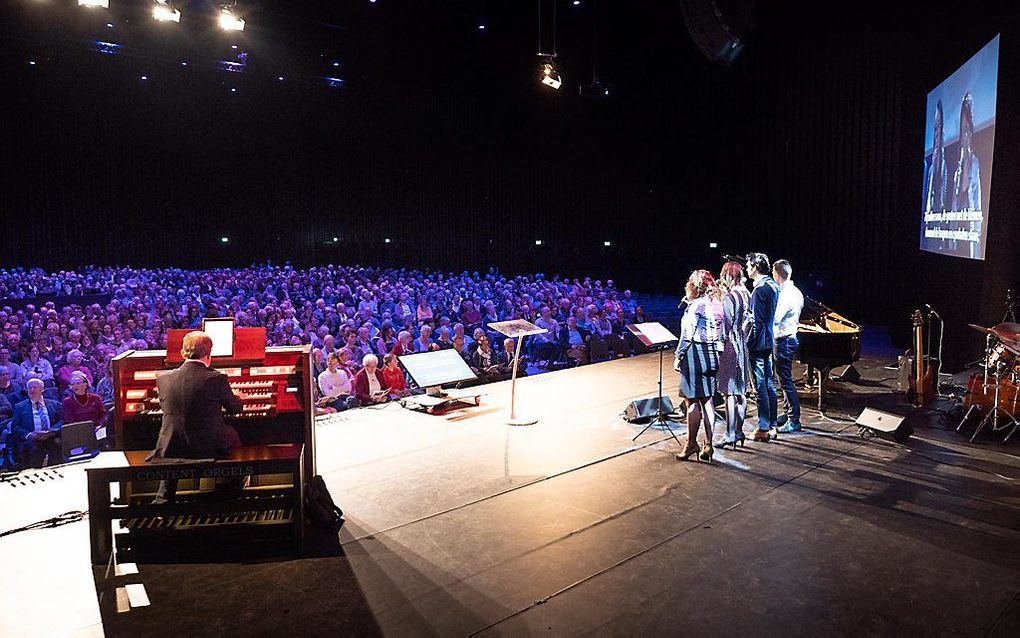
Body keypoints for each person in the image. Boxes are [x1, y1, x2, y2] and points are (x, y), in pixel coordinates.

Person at [147, 331, 244, 503]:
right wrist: (236, 396)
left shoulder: (164, 379)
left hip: (170, 444)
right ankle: (228, 495)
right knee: (233, 435)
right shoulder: (216, 378)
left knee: (178, 436)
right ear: (209, 354)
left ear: (182, 353)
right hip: (206, 446)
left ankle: (163, 500)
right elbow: (235, 409)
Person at [673, 270, 724, 463]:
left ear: (693, 286)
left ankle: (691, 443)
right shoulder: (717, 304)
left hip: (695, 353)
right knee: (708, 400)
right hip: (712, 353)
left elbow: (687, 335)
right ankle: (709, 445)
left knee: (692, 401)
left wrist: (678, 356)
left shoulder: (695, 307)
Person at [715, 261, 751, 449]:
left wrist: (720, 344)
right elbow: (750, 321)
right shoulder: (747, 294)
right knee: (741, 392)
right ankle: (738, 431)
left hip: (731, 344)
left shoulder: (730, 296)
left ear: (729, 275)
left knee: (729, 392)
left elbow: (726, 326)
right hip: (742, 344)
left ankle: (729, 434)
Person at [745, 253, 780, 442]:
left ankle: (763, 427)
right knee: (769, 383)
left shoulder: (759, 290)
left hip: (758, 343)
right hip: (769, 340)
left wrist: (748, 344)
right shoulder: (773, 285)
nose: (747, 268)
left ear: (756, 267)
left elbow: (756, 323)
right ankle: (772, 424)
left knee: (759, 386)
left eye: (749, 265)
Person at [772, 259, 804, 433]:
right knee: (784, 380)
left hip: (784, 340)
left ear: (776, 274)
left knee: (785, 382)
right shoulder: (797, 291)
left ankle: (794, 419)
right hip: (790, 338)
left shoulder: (785, 295)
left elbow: (776, 319)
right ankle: (788, 412)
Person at [10, 378, 63, 468]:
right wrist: (29, 435)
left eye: (34, 387)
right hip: (32, 440)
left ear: (42, 390)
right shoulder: (20, 407)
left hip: (51, 437)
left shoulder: (55, 404)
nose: (31, 390)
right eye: (29, 388)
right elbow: (15, 427)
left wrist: (52, 431)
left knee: (58, 449)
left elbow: (62, 421)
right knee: (33, 451)